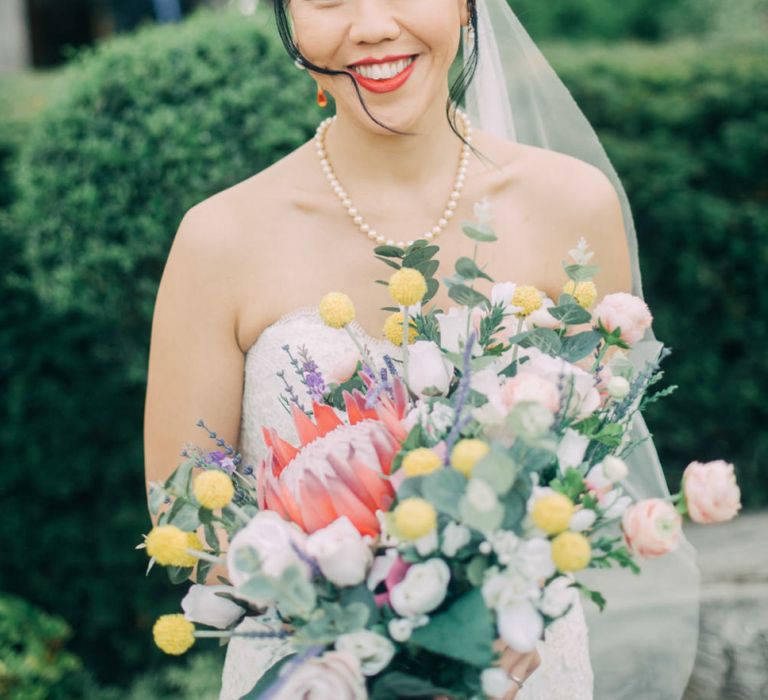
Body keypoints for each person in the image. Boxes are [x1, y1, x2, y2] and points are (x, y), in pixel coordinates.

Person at [144, 0, 699, 697]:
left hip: (523, 668)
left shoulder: (572, 207)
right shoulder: (218, 239)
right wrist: (368, 632)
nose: (373, 25)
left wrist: (506, 599)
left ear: (468, 7)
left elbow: (588, 463)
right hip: (312, 674)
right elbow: (184, 509)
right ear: (288, 21)